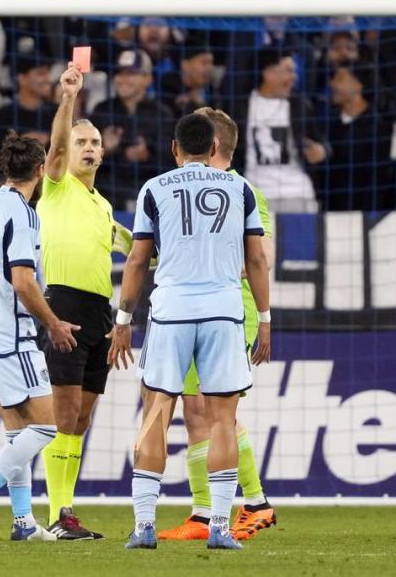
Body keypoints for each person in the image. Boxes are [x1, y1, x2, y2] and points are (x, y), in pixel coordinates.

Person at [108, 113, 271, 551]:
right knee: (222, 420)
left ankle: (143, 525)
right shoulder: (240, 190)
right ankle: (219, 525)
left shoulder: (154, 189)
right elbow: (257, 260)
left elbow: (138, 262)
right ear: (214, 148)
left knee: (156, 413)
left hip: (170, 312)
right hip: (223, 313)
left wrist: (122, 322)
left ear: (175, 149)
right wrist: (267, 317)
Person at [0, 132, 80, 543]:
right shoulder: (23, 214)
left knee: (16, 430)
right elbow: (23, 282)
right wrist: (54, 323)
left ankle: (23, 522)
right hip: (10, 338)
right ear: (40, 171)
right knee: (46, 428)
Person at [157, 107, 276, 542]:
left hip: (229, 310)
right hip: (206, 308)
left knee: (214, 410)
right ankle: (205, 513)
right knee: (196, 412)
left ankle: (254, 502)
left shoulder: (242, 190)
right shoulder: (206, 190)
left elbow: (260, 258)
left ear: (212, 144)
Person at [36, 63, 132, 541]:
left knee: (83, 417)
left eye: (95, 142)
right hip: (65, 306)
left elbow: (133, 250)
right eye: (82, 142)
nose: (90, 147)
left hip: (100, 311)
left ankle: (66, 511)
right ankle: (57, 515)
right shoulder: (55, 188)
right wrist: (68, 98)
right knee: (65, 412)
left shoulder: (103, 205)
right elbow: (53, 148)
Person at [234, 48, 327, 213]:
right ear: (269, 73)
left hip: (297, 194)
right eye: (289, 71)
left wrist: (321, 151)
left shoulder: (300, 106)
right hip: (255, 197)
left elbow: (323, 143)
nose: (294, 77)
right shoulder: (241, 107)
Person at [91, 49, 176, 204]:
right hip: (107, 195)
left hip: (150, 195)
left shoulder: (162, 114)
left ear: (147, 79)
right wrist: (106, 150)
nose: (123, 79)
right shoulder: (102, 110)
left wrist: (147, 155)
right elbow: (86, 161)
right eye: (119, 73)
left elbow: (170, 161)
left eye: (131, 73)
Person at [325, 65, 396, 211]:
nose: (332, 84)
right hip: (330, 212)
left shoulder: (379, 126)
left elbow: (380, 179)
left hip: (365, 214)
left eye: (339, 79)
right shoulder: (329, 124)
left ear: (358, 85)